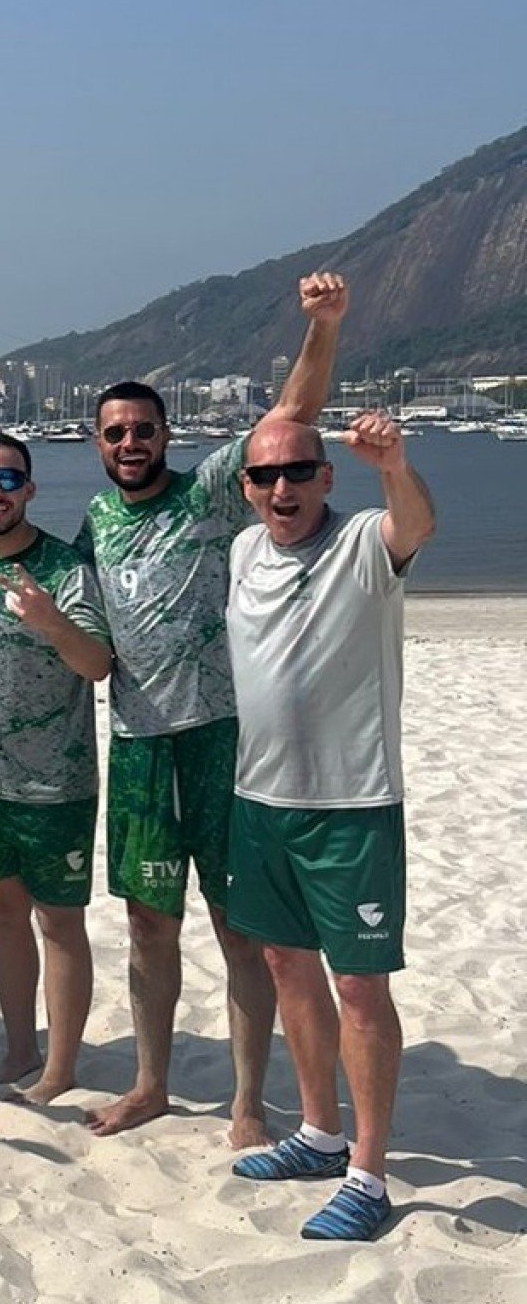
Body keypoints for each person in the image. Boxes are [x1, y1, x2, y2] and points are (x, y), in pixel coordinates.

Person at [72, 275, 349, 1145]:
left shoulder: (208, 495)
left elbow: (290, 413)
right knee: (149, 925)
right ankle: (151, 1084)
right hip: (140, 748)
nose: (130, 442)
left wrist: (323, 328)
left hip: (226, 741)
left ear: (166, 436)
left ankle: (245, 1101)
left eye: (143, 430)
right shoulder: (92, 522)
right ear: (98, 442)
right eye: (115, 432)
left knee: (241, 928)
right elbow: (52, 579)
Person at [226, 412, 434, 1241]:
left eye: (299, 471)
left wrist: (395, 464)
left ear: (326, 477)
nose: (283, 488)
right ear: (247, 488)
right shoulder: (244, 553)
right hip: (260, 798)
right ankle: (318, 1133)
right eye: (266, 476)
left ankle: (370, 1175)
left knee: (358, 986)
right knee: (286, 963)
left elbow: (414, 523)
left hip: (354, 804)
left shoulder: (364, 547)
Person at [0, 433, 111, 1104]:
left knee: (59, 922)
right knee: (2, 915)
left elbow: (97, 664)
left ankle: (61, 1065)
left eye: (8, 479)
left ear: (30, 489)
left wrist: (51, 623)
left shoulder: (65, 568)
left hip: (57, 781)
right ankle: (21, 1044)